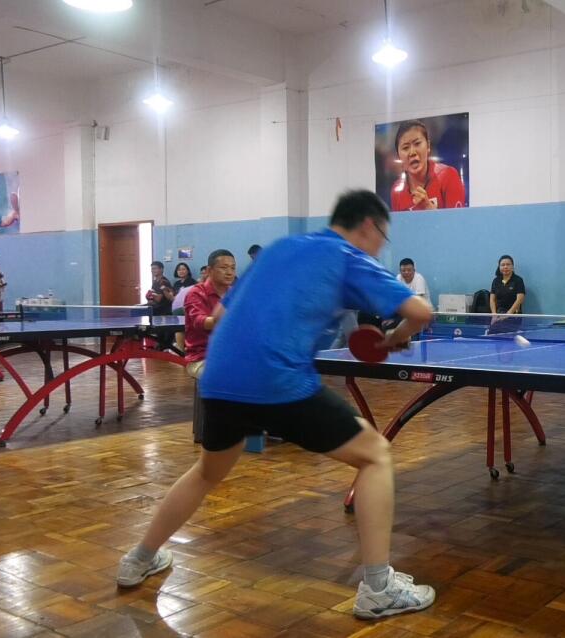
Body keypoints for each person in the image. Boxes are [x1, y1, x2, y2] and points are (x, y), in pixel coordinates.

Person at [116, 190, 436, 620]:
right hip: (277, 379)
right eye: (383, 236)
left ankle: (138, 558)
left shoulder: (281, 247)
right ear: (368, 226)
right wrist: (395, 338)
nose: (381, 247)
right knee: (376, 454)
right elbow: (421, 312)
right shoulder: (347, 256)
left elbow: (223, 317)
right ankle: (378, 588)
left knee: (208, 471)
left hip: (220, 377)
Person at [389, 120, 466, 211]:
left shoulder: (448, 176)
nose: (412, 152)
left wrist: (428, 207)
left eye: (417, 144)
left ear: (428, 146)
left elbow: (458, 220)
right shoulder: (397, 191)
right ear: (398, 156)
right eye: (405, 148)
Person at [182, 250, 235, 378]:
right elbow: (201, 323)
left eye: (233, 268)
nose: (229, 272)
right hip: (202, 357)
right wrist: (226, 318)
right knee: (227, 377)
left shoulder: (236, 293)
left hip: (233, 354)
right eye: (224, 268)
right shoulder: (196, 293)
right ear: (209, 270)